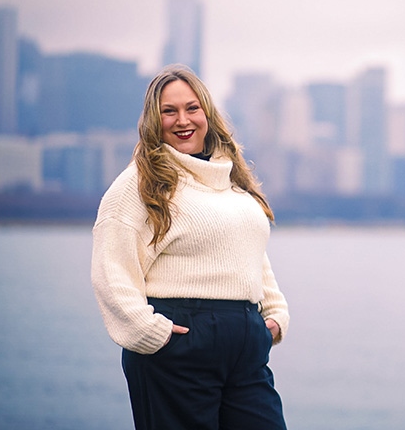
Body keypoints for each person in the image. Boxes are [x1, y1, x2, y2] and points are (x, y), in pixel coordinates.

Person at [91, 65, 290, 429]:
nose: (182, 120)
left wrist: (274, 316)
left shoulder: (229, 179)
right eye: (169, 111)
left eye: (192, 108)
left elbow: (249, 251)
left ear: (208, 115)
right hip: (178, 348)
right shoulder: (139, 183)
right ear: (155, 119)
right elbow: (112, 272)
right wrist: (153, 333)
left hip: (245, 350)